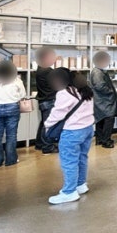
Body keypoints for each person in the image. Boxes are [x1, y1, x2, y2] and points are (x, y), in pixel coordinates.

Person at [45, 68, 95, 205]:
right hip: (88, 129)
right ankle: (80, 185)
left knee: (69, 162)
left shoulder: (65, 93)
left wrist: (47, 124)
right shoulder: (86, 91)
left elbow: (57, 113)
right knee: (82, 157)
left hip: (72, 131)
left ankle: (69, 192)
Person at [89, 51, 117, 148]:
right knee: (108, 120)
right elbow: (100, 86)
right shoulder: (97, 72)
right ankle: (106, 141)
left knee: (101, 120)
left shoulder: (98, 71)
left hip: (101, 101)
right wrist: (110, 91)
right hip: (104, 101)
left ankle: (100, 139)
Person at [34, 47, 58, 154]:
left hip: (43, 100)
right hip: (49, 101)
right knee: (48, 124)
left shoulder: (40, 69)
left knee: (44, 124)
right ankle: (47, 146)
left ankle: (39, 143)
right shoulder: (48, 71)